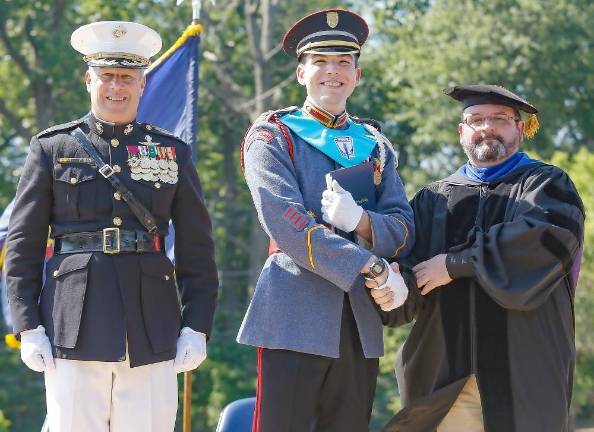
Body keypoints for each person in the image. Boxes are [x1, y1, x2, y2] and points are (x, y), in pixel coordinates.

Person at [6, 21, 218, 432]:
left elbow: (197, 247)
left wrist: (197, 325)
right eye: (107, 76)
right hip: (73, 321)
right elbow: (23, 245)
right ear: (89, 80)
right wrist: (27, 324)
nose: (116, 87)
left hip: (152, 325)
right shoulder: (54, 147)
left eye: (127, 77)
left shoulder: (171, 152)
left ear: (142, 85)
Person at [368, 85, 585, 432]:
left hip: (523, 376)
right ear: (461, 131)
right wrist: (390, 287)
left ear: (519, 127)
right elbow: (409, 276)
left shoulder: (547, 186)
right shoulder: (432, 199)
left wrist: (454, 265)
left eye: (499, 119)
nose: (487, 127)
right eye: (476, 119)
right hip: (442, 380)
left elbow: (542, 243)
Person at [237, 8, 415, 432]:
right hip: (295, 312)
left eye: (343, 63)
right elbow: (286, 222)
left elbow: (404, 225)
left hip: (359, 319)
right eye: (320, 62)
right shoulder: (272, 134)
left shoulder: (375, 144)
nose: (331, 73)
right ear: (301, 73)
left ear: (358, 75)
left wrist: (364, 222)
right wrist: (368, 262)